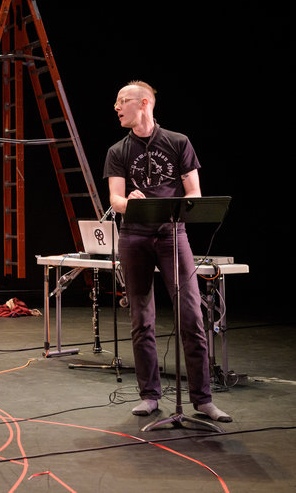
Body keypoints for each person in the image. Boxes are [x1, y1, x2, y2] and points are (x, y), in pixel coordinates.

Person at [103, 81, 231, 422]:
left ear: (144, 103)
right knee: (141, 319)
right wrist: (128, 202)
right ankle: (149, 395)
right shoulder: (117, 151)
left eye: (122, 101)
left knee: (190, 316)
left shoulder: (178, 142)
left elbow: (195, 193)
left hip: (172, 236)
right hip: (133, 237)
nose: (116, 106)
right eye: (116, 101)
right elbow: (114, 200)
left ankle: (202, 399)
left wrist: (175, 206)